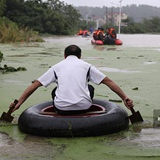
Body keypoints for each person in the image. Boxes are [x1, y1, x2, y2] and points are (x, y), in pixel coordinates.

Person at [10, 45, 133, 115]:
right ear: (80, 56)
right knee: (90, 88)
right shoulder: (87, 66)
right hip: (84, 107)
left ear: (64, 56)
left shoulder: (56, 67)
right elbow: (109, 82)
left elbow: (35, 85)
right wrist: (124, 98)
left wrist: (19, 102)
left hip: (62, 109)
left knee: (54, 91)